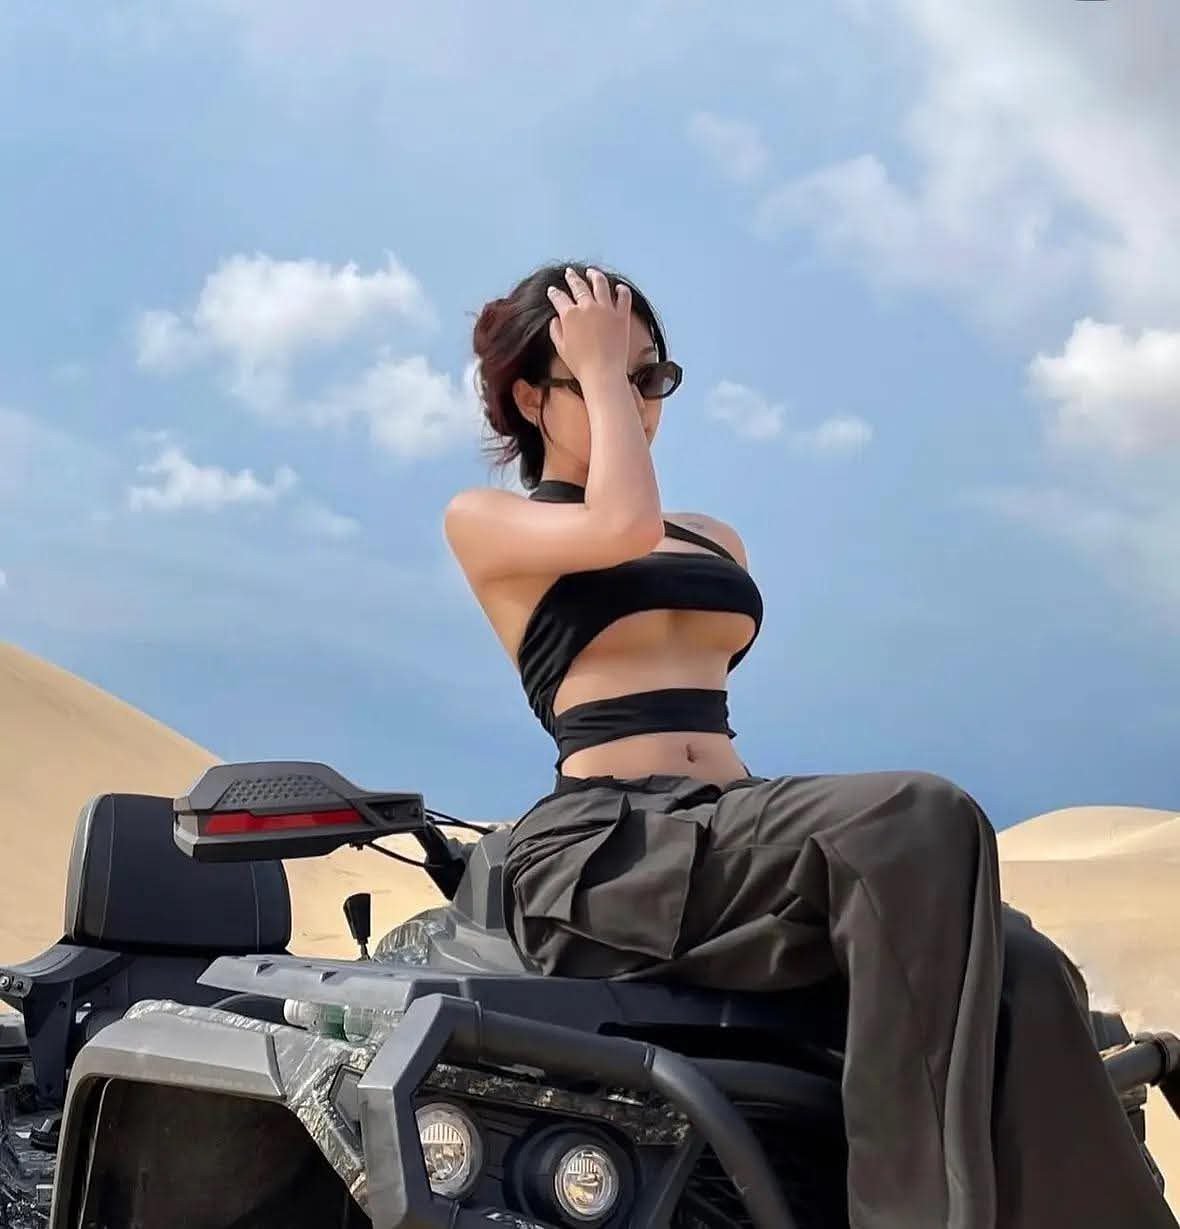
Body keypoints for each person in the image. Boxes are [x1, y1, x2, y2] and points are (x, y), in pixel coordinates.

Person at [443, 262, 1176, 1228]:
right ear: (533, 399)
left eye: (653, 376)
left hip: (731, 833)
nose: (641, 400)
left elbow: (639, 526)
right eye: (605, 375)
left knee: (1023, 966)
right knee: (920, 816)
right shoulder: (491, 522)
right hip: (606, 852)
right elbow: (619, 523)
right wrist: (608, 374)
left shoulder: (712, 536)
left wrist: (603, 375)